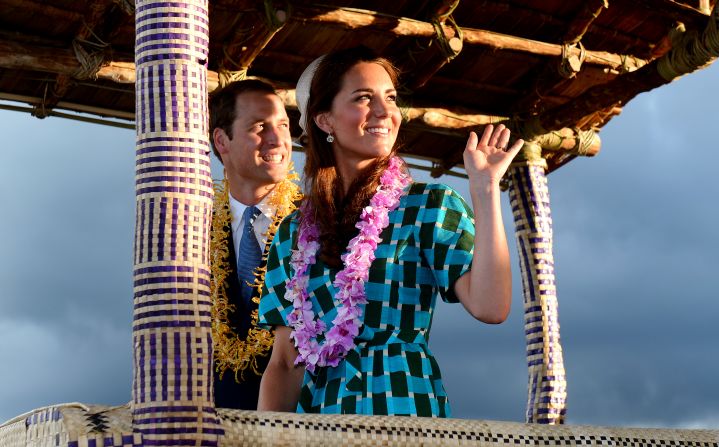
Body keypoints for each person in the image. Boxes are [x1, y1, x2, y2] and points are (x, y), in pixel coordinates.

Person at [257, 46, 523, 417]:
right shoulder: (291, 233)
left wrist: (485, 188)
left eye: (391, 97)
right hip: (319, 425)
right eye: (364, 98)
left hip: (405, 409)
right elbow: (285, 363)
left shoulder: (429, 205)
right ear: (324, 120)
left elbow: (491, 307)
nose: (385, 112)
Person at [208, 79, 301, 410]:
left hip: (306, 424)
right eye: (260, 127)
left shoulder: (315, 221)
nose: (277, 140)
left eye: (283, 126)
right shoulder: (194, 232)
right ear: (222, 140)